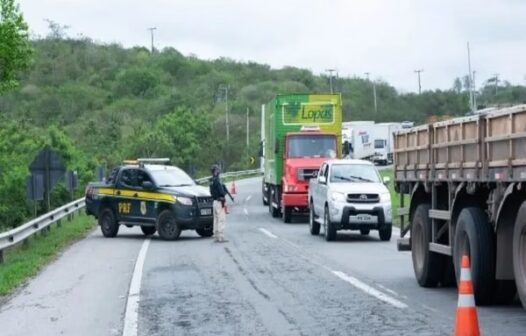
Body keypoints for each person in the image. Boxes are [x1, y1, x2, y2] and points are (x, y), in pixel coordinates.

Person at [210, 165, 228, 242]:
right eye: (217, 170)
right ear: (215, 172)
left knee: (216, 219)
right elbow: (222, 192)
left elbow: (211, 192)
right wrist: (224, 191)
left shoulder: (211, 181)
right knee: (221, 219)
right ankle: (221, 236)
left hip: (214, 201)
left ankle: (216, 235)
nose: (219, 172)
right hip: (219, 202)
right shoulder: (217, 181)